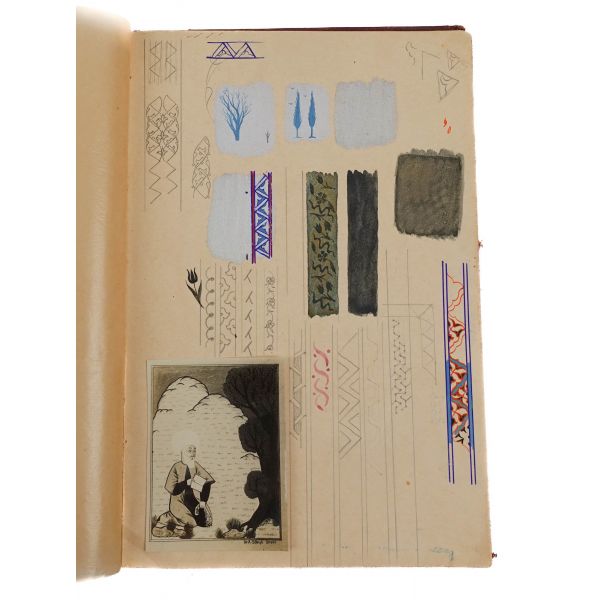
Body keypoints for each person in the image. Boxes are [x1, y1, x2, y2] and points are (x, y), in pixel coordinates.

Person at [164, 444, 215, 528]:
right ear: (183, 452)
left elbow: (207, 482)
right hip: (179, 501)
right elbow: (172, 489)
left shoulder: (195, 465)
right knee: (191, 523)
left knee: (206, 522)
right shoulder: (176, 466)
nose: (193, 454)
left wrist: (203, 502)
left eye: (194, 451)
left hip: (195, 498)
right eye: (189, 451)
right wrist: (186, 483)